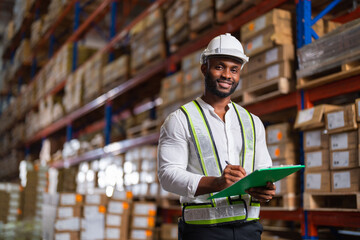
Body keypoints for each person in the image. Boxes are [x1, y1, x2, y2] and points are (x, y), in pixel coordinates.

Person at [157, 33, 276, 240]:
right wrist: (216, 183)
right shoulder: (180, 119)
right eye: (219, 67)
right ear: (205, 68)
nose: (227, 75)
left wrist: (265, 189)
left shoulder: (253, 122)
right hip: (202, 232)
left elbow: (263, 169)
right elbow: (168, 176)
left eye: (234, 70)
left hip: (248, 230)